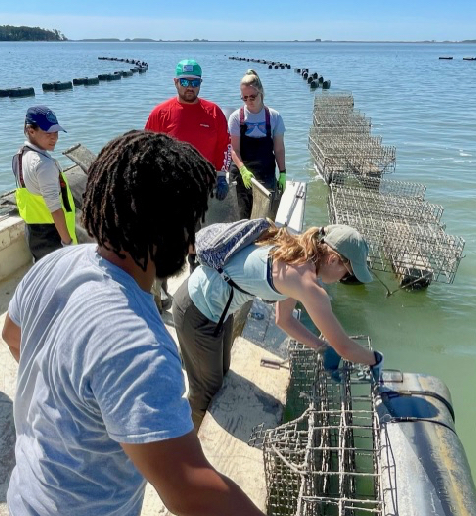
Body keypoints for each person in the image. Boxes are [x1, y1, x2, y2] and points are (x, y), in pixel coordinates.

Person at [0, 131, 354, 516]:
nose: (194, 237)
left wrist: (75, 412)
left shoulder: (59, 263)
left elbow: (14, 337)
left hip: (29, 499)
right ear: (169, 233)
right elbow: (190, 493)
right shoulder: (136, 344)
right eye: (192, 222)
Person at [173, 223, 384, 425]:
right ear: (333, 260)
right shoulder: (309, 286)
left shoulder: (297, 251)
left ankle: (191, 364)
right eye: (347, 274)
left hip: (218, 308)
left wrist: (321, 347)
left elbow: (284, 320)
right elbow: (344, 347)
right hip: (196, 310)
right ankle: (185, 446)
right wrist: (375, 360)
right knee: (206, 394)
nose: (343, 279)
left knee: (221, 373)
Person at [145, 58, 231, 310]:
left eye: (195, 82)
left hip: (201, 190)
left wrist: (221, 176)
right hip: (168, 192)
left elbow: (224, 146)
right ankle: (159, 294)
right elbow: (146, 150)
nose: (189, 87)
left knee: (198, 240)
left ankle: (196, 292)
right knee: (163, 245)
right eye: (185, 82)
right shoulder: (160, 113)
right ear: (175, 82)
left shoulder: (213, 112)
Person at [13, 105, 77, 262]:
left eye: (56, 132)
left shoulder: (19, 156)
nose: (54, 137)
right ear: (31, 131)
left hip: (34, 232)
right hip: (53, 235)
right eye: (48, 133)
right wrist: (67, 243)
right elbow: (55, 208)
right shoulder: (44, 164)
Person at [228, 69, 286, 219]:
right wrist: (243, 170)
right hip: (242, 172)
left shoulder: (274, 117)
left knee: (265, 217)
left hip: (265, 171)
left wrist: (283, 173)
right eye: (244, 98)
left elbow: (279, 149)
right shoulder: (236, 118)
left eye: (252, 97)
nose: (248, 101)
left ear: (261, 92)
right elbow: (234, 150)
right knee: (242, 216)